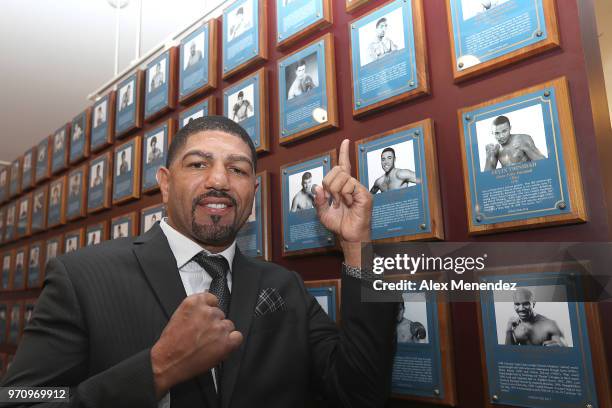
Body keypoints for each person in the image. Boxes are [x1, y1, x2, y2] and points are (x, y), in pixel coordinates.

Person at [2, 116, 397, 407]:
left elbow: (360, 393)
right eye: (198, 164)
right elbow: (22, 398)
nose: (220, 181)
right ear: (165, 182)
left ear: (253, 190)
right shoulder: (82, 276)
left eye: (238, 169)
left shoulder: (283, 287)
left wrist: (358, 247)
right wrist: (156, 370)